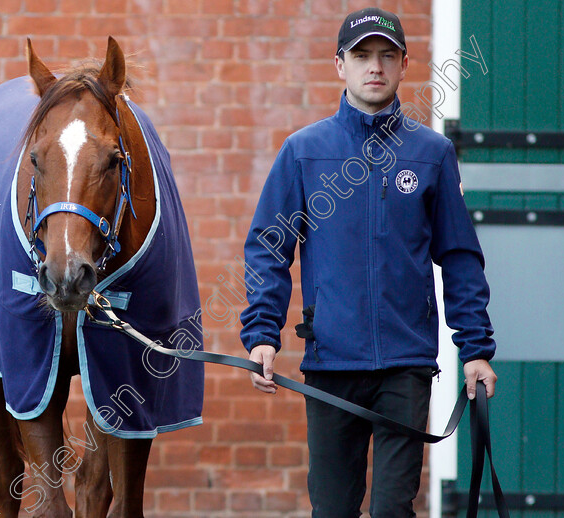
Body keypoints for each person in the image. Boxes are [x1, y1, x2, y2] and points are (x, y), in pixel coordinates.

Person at [239, 7, 498, 517]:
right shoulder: (303, 153)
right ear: (341, 65)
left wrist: (476, 349)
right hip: (331, 364)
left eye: (386, 56)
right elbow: (269, 249)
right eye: (361, 56)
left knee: (392, 510)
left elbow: (461, 257)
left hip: (406, 366)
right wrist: (262, 335)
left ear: (404, 65)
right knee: (333, 509)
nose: (374, 67)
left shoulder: (432, 153)